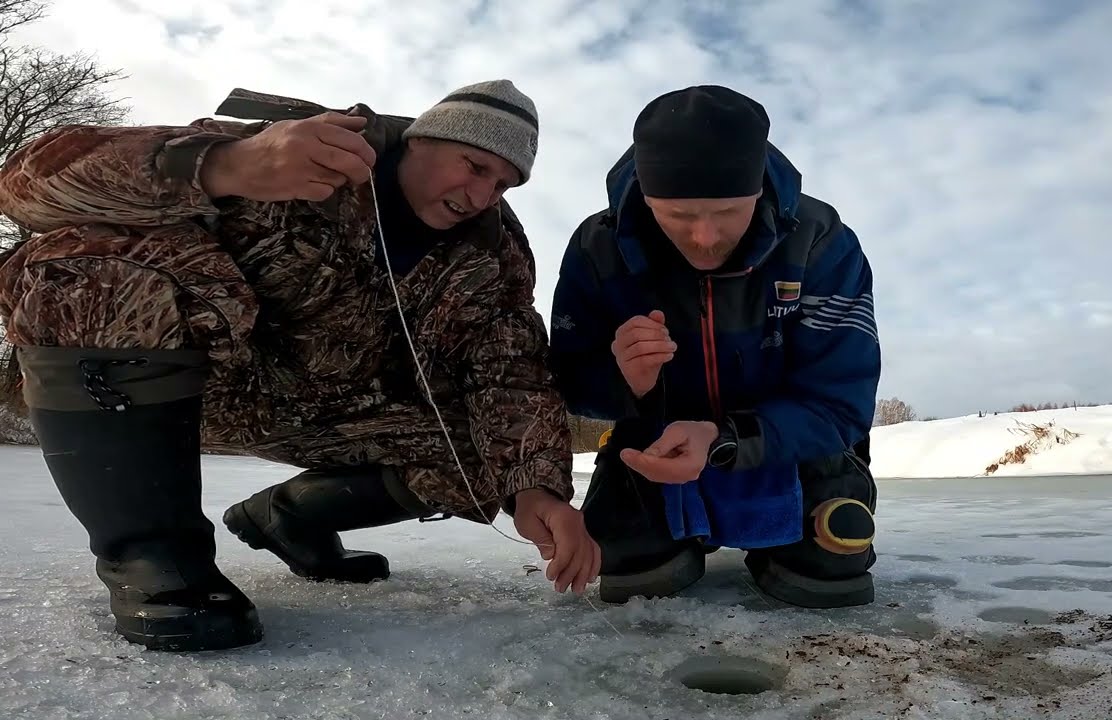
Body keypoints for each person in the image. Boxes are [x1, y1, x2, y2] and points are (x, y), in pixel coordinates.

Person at [0, 80, 600, 652]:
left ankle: (288, 519)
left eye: (502, 184)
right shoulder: (298, 150)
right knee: (96, 263)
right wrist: (225, 164)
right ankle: (154, 559)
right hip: (181, 384)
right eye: (474, 166)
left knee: (484, 454)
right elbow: (24, 187)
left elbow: (511, 373)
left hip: (332, 412)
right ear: (421, 138)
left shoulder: (493, 255)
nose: (480, 196)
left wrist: (538, 489)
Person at [548, 85, 880, 608]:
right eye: (677, 216)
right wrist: (625, 383)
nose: (704, 237)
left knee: (822, 581)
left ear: (757, 190)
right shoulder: (598, 248)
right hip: (652, 451)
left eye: (727, 211)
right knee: (636, 582)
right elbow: (569, 383)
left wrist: (724, 438)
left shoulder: (820, 242)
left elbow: (840, 402)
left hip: (787, 450)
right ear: (647, 196)